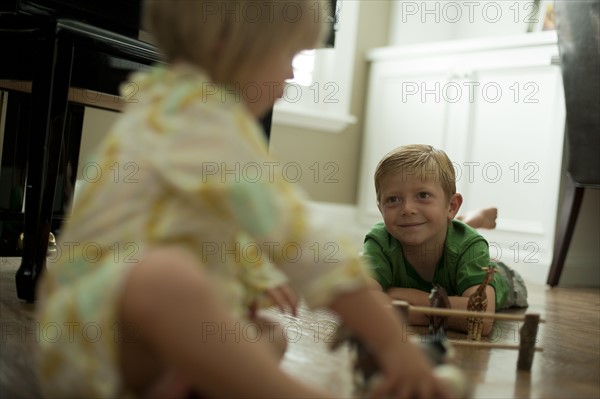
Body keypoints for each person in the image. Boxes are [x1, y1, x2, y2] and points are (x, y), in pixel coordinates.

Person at [35, 2, 451, 398]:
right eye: (290, 53)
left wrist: (248, 282)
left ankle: (199, 384)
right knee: (165, 278)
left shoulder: (164, 106)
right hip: (94, 344)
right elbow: (301, 237)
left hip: (129, 352)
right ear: (226, 41)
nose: (290, 73)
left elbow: (207, 222)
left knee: (268, 334)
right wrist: (391, 341)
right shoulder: (203, 121)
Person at [363, 144, 528, 337]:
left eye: (423, 195)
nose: (407, 209)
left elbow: (480, 320)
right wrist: (443, 310)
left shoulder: (471, 246)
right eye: (393, 200)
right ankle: (466, 220)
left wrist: (408, 299)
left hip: (503, 277)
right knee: (432, 226)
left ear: (451, 205)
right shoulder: (379, 241)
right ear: (380, 207)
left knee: (455, 238)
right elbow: (363, 304)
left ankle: (464, 223)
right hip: (446, 241)